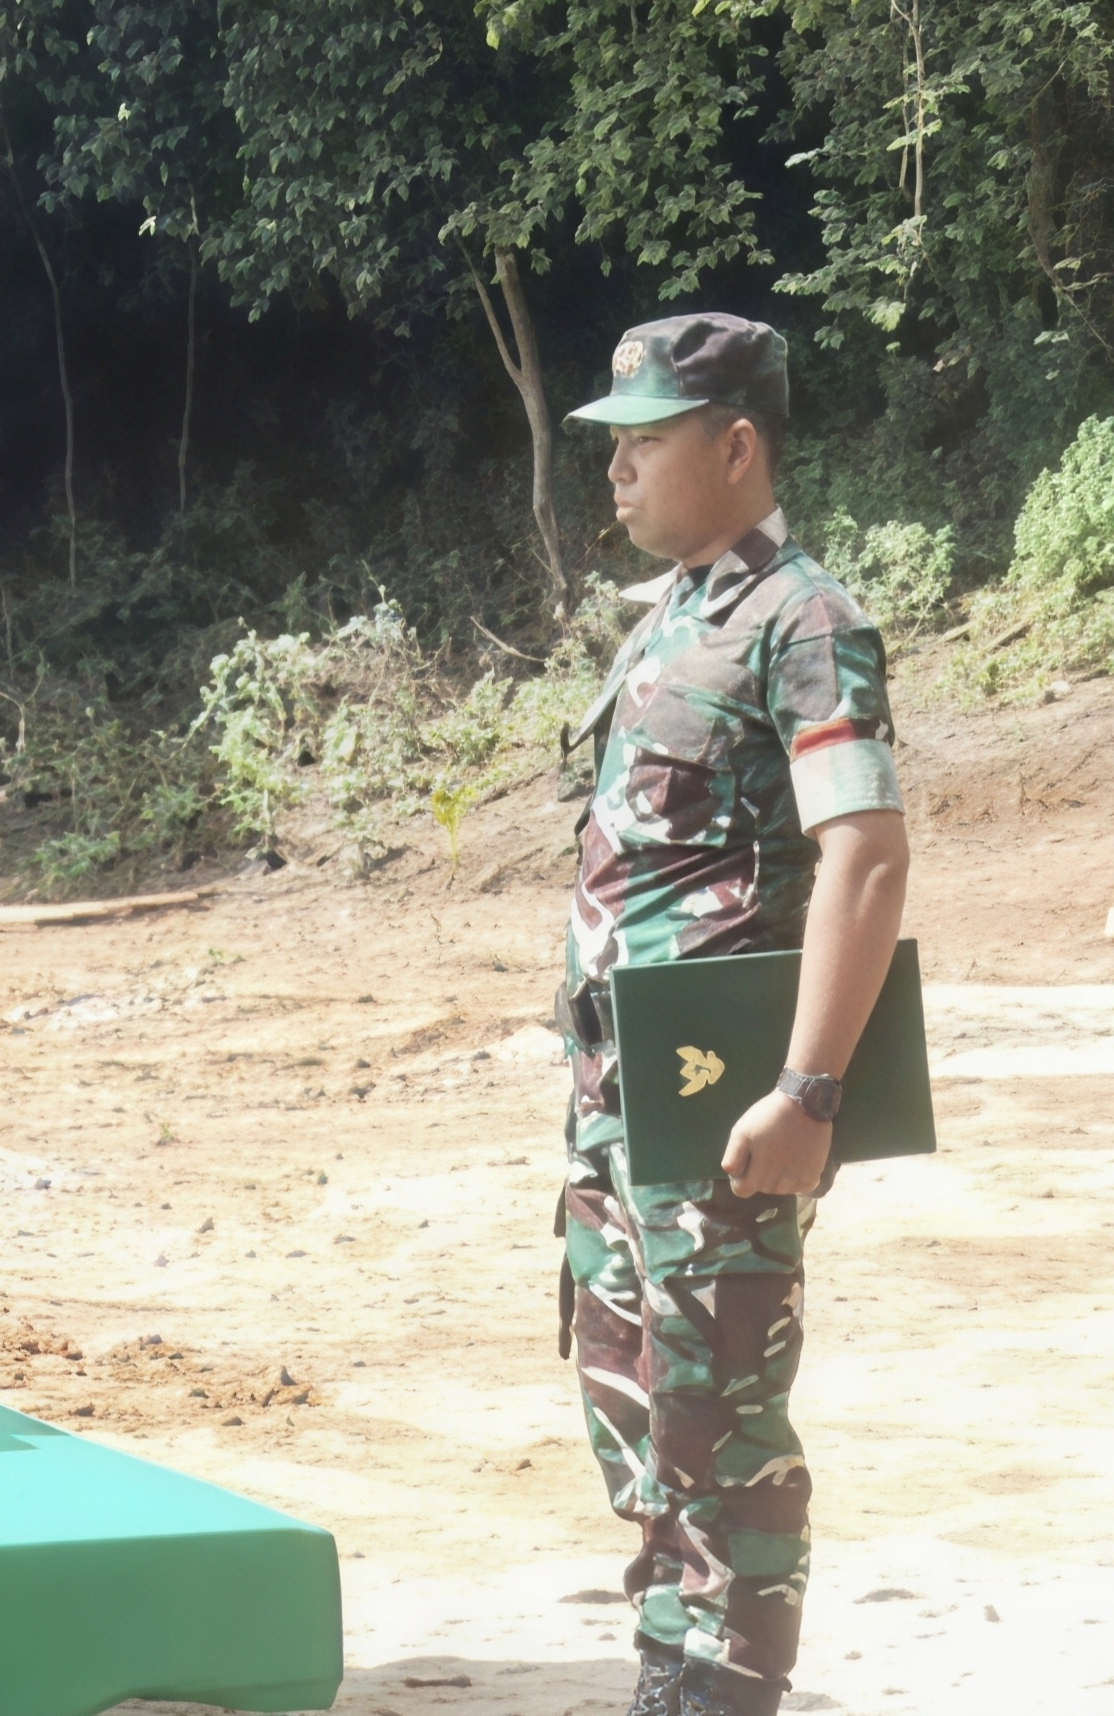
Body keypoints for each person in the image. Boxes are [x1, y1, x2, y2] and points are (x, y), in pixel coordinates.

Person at [551, 315, 910, 1716]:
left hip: (724, 1100)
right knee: (634, 1398)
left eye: (645, 442)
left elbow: (865, 855)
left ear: (737, 444)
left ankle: (727, 1694)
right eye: (616, 445)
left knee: (723, 1423)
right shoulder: (683, 612)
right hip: (619, 1092)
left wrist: (812, 1088)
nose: (619, 472)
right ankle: (670, 1672)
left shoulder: (805, 618)